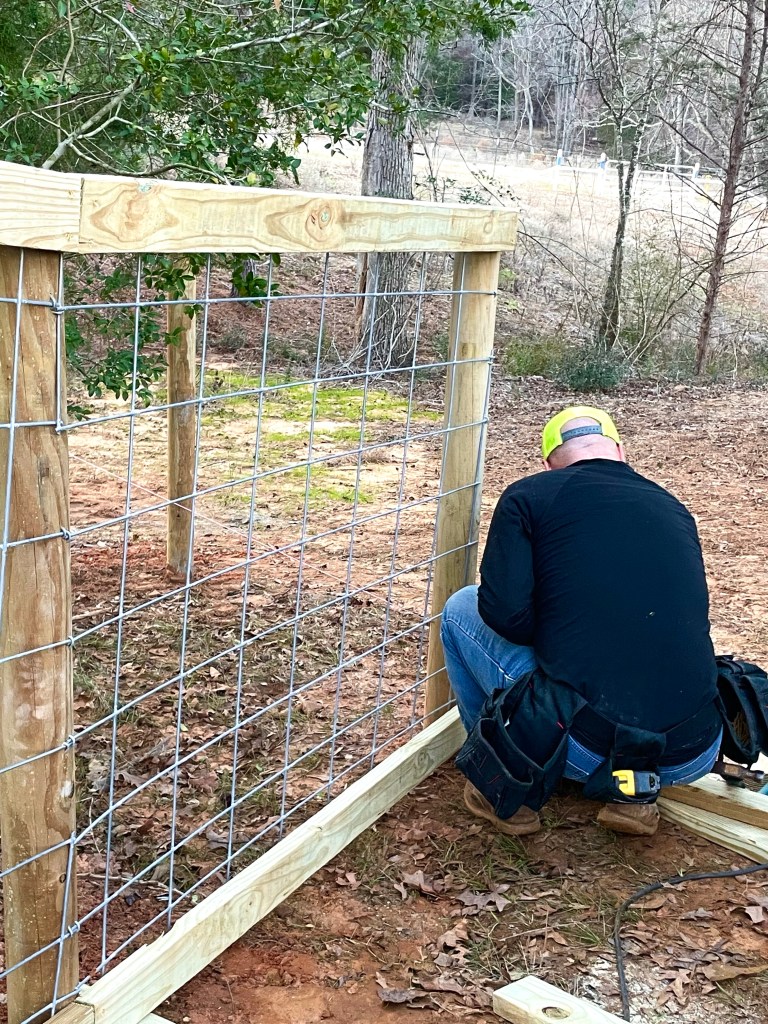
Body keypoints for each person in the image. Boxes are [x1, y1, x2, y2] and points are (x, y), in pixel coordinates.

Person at [441, 406, 722, 838]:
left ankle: (501, 783)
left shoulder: (528, 497)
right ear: (620, 452)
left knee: (460, 607)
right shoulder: (673, 507)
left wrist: (561, 627)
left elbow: (505, 616)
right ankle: (633, 796)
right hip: (693, 750)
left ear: (548, 464)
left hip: (587, 748)